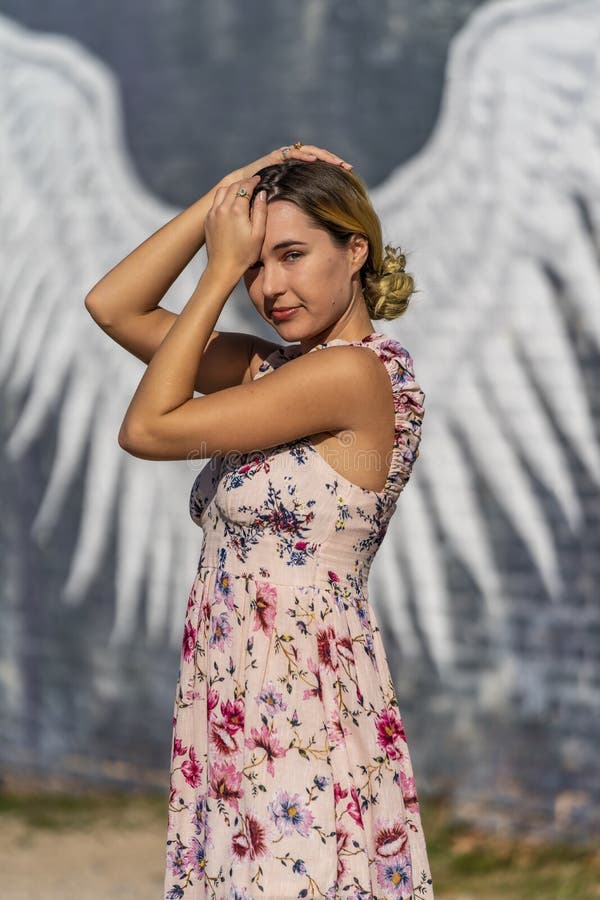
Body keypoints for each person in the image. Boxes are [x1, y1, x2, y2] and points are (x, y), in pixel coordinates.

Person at [85, 143, 434, 899]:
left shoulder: (353, 374)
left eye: (292, 254)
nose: (266, 285)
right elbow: (114, 307)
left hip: (300, 700)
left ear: (355, 251)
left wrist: (215, 271)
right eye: (252, 263)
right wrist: (228, 194)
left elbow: (147, 429)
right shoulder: (272, 370)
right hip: (232, 691)